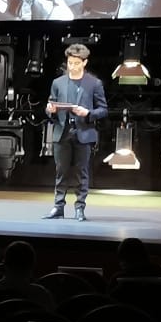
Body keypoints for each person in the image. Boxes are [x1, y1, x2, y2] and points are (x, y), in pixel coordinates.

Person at [44, 43, 107, 220]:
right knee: (61, 171)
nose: (72, 66)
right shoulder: (58, 82)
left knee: (82, 172)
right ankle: (58, 207)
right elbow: (50, 106)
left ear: (84, 63)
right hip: (62, 132)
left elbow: (103, 110)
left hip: (83, 132)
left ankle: (80, 207)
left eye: (76, 63)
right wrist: (51, 110)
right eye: (70, 63)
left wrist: (88, 114)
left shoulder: (94, 83)